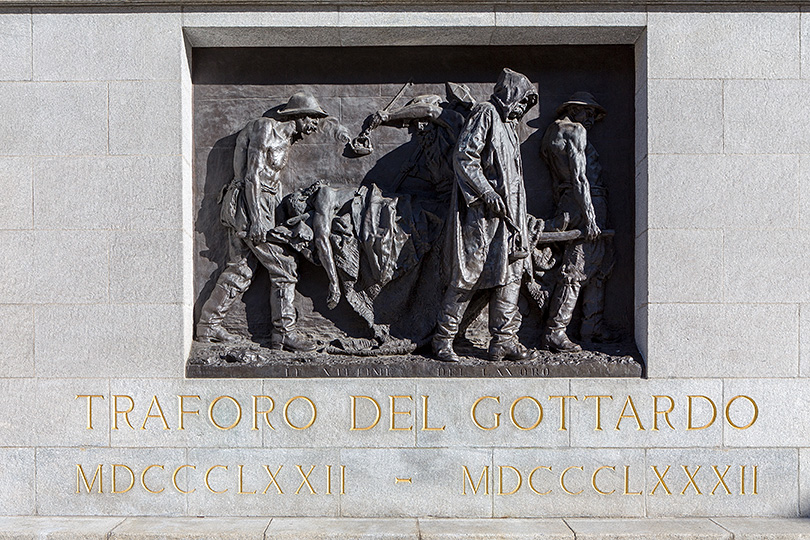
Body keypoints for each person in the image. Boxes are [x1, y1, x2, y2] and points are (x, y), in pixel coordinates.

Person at [196, 91, 328, 352]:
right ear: (299, 116)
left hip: (262, 204)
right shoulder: (265, 128)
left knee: (241, 269)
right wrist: (257, 219)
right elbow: (253, 175)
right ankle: (284, 333)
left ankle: (208, 325)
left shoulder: (286, 140)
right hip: (249, 203)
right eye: (313, 118)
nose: (315, 125)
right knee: (284, 267)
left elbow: (273, 183)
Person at [433, 68, 539, 363]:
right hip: (482, 215)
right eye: (521, 102)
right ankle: (442, 338)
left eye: (526, 105)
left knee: (512, 273)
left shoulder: (510, 127)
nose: (521, 109)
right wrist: (486, 192)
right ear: (510, 94)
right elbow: (464, 156)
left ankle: (503, 340)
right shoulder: (486, 113)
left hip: (511, 216)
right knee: (468, 274)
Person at [540, 91, 616, 352]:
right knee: (579, 265)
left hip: (568, 201)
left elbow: (557, 182)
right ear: (573, 110)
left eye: (594, 114)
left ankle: (591, 326)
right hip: (588, 199)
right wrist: (590, 215)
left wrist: (566, 208)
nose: (592, 119)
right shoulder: (576, 131)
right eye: (588, 112)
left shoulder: (551, 133)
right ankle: (556, 330)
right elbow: (580, 177)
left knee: (599, 264)